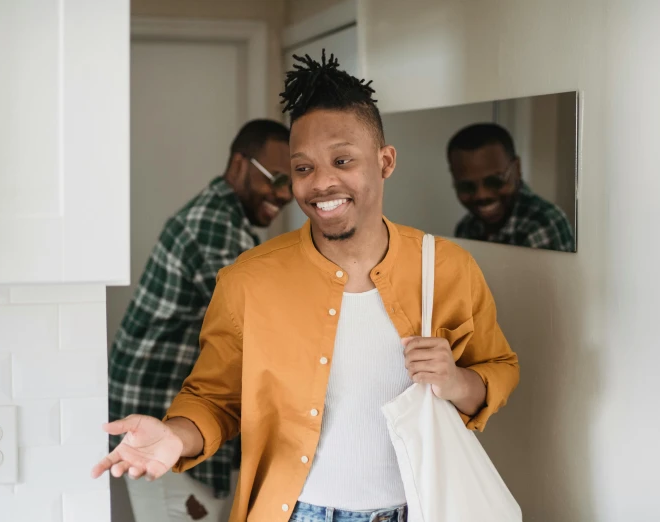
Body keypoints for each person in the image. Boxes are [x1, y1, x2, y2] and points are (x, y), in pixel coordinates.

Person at [94, 51, 520, 522]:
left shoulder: (447, 268)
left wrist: (455, 380)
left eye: (342, 160)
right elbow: (215, 399)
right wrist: (176, 435)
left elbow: (497, 369)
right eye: (302, 168)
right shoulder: (248, 280)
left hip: (416, 511)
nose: (321, 183)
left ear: (385, 161)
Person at [107, 119, 292, 522]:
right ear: (240, 164)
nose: (285, 194)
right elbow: (259, 329)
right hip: (162, 407)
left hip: (161, 402)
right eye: (276, 178)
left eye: (292, 182)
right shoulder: (216, 227)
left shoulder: (222, 216)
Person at [448, 123, 575, 252]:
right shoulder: (466, 227)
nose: (481, 195)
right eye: (465, 186)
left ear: (517, 169)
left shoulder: (543, 223)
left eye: (494, 181)